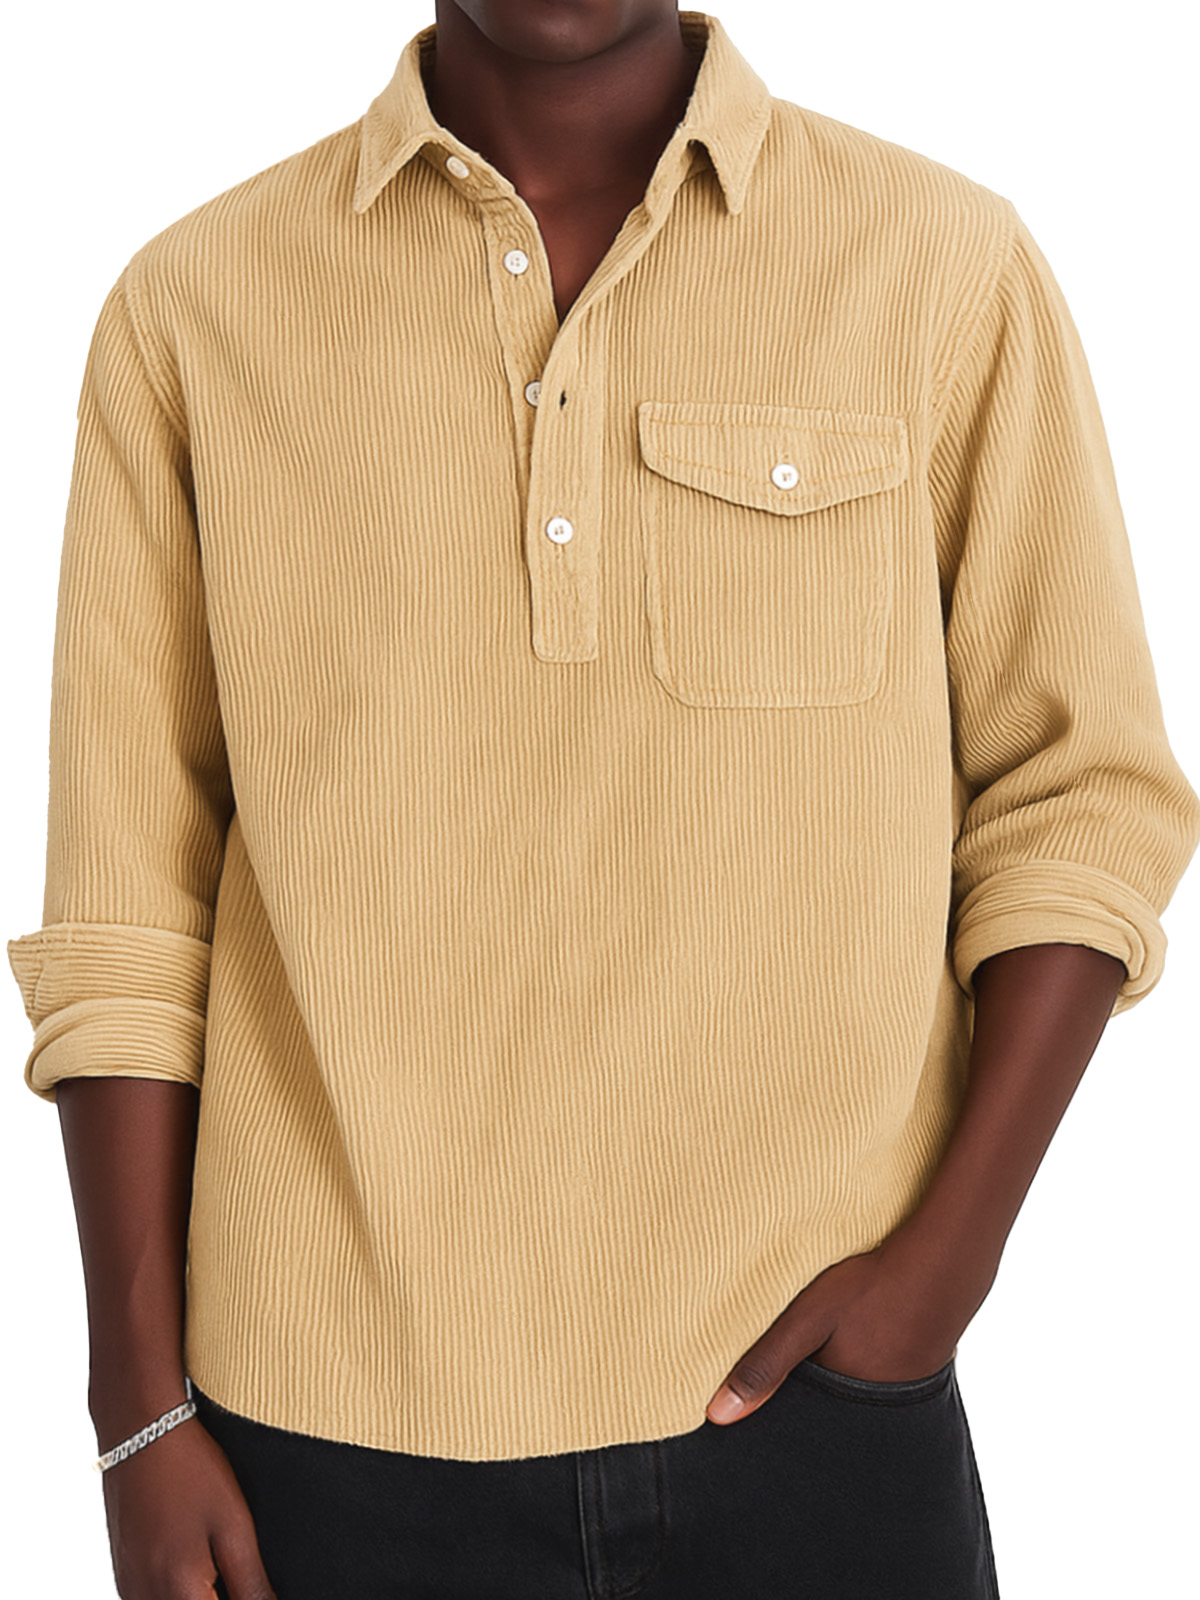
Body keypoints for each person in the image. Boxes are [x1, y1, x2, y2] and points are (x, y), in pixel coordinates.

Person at [9, 4, 1200, 1597]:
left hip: (820, 1407)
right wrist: (134, 1414)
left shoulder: (940, 266)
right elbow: (124, 909)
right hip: (320, 1435)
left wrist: (944, 1272)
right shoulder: (193, 307)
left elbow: (1082, 798)